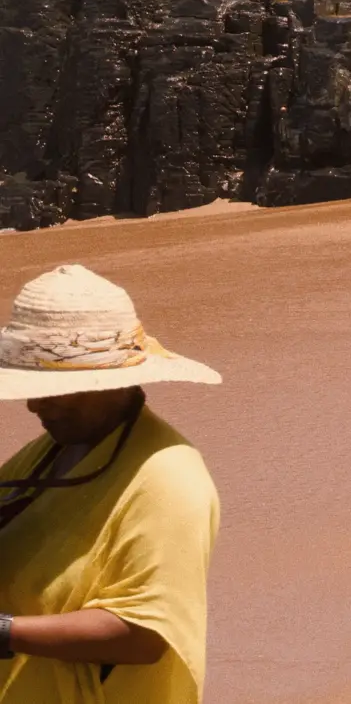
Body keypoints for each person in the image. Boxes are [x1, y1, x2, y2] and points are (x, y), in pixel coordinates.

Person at [0, 264, 220, 704]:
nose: (35, 404)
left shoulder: (169, 481)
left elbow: (140, 635)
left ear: (116, 384)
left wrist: (6, 632)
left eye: (59, 392)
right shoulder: (52, 451)